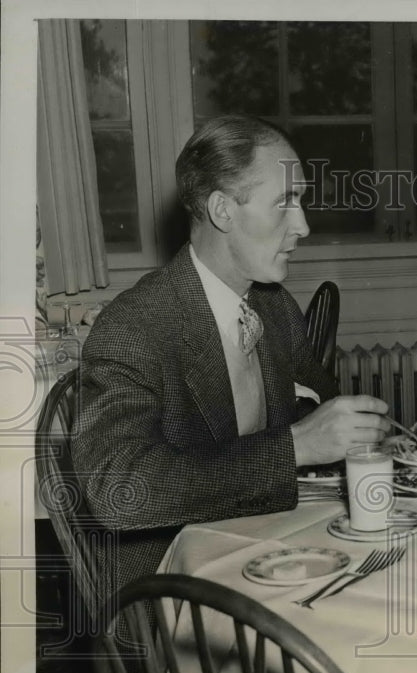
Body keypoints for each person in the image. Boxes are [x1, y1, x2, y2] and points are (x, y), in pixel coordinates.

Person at [72, 115, 390, 603]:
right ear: (222, 210)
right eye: (284, 203)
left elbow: (317, 413)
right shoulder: (134, 329)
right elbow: (120, 492)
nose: (303, 225)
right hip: (173, 597)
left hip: (265, 554)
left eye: (301, 202)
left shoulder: (273, 307)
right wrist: (296, 446)